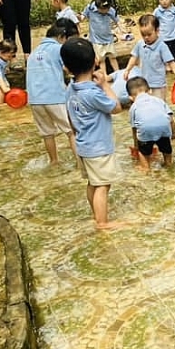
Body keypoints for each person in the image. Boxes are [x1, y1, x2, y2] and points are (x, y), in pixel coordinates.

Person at [61, 37, 124, 231]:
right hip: (99, 147)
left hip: (83, 144)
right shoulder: (93, 93)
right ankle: (102, 222)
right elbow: (116, 107)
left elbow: (71, 120)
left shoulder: (70, 89)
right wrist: (105, 85)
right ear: (95, 60)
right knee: (103, 185)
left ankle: (96, 213)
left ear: (67, 68)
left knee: (93, 183)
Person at [26, 24, 77, 166]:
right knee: (71, 131)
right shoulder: (59, 49)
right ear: (61, 37)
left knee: (47, 133)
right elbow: (68, 69)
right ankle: (81, 164)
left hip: (35, 100)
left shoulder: (34, 53)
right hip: (55, 97)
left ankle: (54, 161)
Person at [123, 14, 175, 102]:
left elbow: (170, 61)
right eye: (143, 35)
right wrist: (127, 69)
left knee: (160, 103)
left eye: (149, 34)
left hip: (158, 83)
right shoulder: (140, 44)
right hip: (143, 84)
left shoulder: (162, 46)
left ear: (157, 31)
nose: (146, 37)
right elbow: (134, 57)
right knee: (147, 103)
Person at [127, 77, 175, 171]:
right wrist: (174, 133)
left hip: (146, 132)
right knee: (166, 150)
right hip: (164, 130)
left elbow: (134, 128)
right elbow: (170, 118)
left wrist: (136, 145)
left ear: (131, 97)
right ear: (150, 91)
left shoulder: (133, 107)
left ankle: (145, 168)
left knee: (143, 153)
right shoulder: (159, 100)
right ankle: (168, 163)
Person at [80, 0, 121, 73]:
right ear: (98, 6)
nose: (106, 11)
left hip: (108, 38)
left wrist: (121, 29)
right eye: (103, 9)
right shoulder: (90, 8)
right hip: (97, 40)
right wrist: (79, 17)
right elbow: (82, 16)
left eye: (107, 8)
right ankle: (105, 76)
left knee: (112, 57)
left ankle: (118, 73)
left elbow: (117, 20)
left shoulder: (110, 10)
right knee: (101, 60)